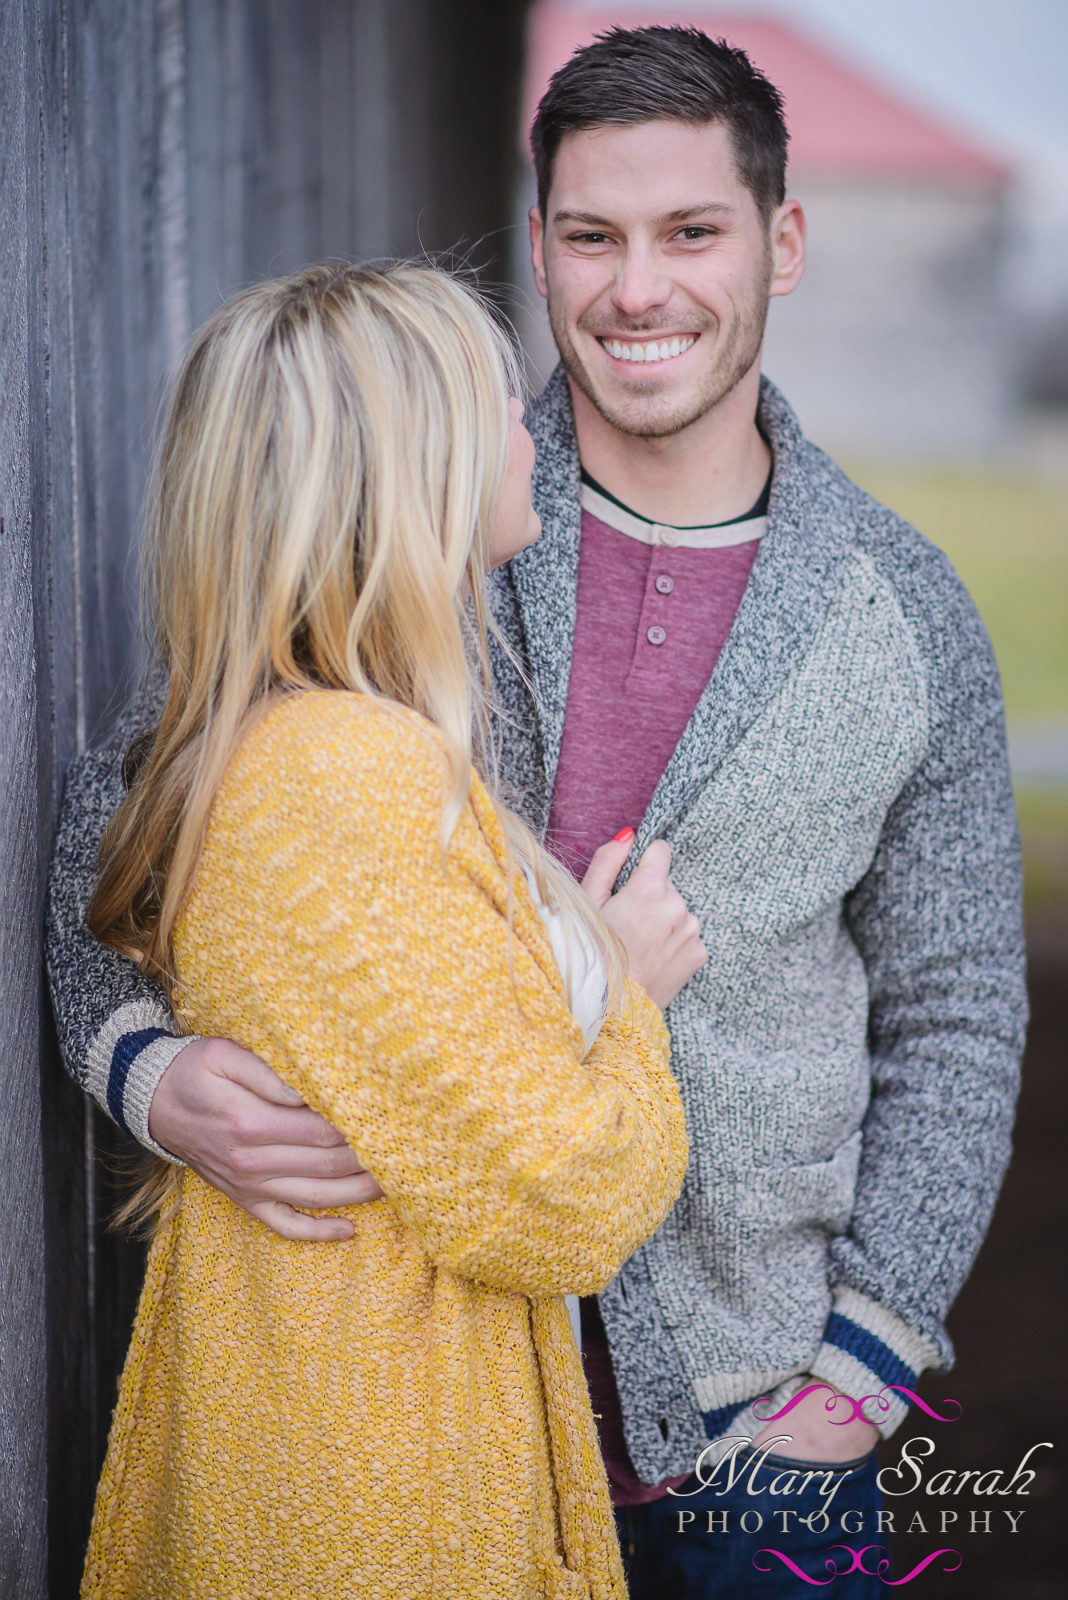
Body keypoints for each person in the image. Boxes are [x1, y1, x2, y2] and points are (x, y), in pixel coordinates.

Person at [47, 26, 1028, 1598]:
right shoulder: (413, 505)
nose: (637, 289)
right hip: (420, 1395)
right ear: (540, 242)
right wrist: (141, 1065)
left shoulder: (899, 612)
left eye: (691, 232)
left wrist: (864, 1360)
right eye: (592, 235)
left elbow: (961, 1009)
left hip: (751, 1430)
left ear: (781, 240)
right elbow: (134, 822)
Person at [67, 260, 691, 1600]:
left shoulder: (341, 714)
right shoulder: (333, 760)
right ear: (409, 467)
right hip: (380, 1459)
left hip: (413, 1404)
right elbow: (553, 1192)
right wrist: (630, 995)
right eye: (499, 403)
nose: (542, 422)